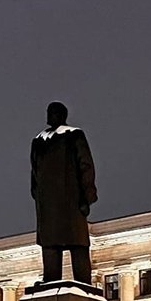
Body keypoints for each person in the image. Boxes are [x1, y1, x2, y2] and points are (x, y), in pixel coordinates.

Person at [31, 101, 97, 284]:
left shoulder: (73, 135)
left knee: (77, 244)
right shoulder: (38, 140)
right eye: (49, 112)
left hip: (71, 201)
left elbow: (86, 166)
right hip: (47, 205)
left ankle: (84, 283)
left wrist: (87, 196)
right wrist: (36, 194)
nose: (50, 115)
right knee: (50, 244)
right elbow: (34, 171)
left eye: (54, 112)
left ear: (62, 115)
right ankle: (50, 280)